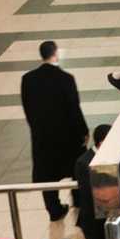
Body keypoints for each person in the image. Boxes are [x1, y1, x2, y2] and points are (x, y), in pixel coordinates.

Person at [20, 40, 88, 220]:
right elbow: (74, 108)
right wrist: (83, 131)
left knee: (46, 174)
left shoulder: (28, 79)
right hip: (68, 137)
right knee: (74, 170)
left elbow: (27, 108)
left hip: (42, 137)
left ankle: (54, 209)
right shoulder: (66, 78)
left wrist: (36, 128)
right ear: (55, 54)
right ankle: (78, 200)